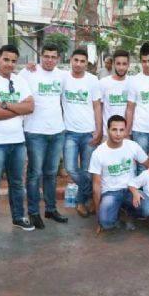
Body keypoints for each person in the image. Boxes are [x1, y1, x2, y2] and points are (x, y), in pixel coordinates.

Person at [0, 44, 35, 243]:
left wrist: (6, 104)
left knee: (17, 183)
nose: (9, 64)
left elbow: (30, 107)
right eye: (6, 59)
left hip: (17, 141)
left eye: (13, 61)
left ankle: (19, 217)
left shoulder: (20, 81)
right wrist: (17, 109)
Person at [19, 44, 68, 229]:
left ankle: (50, 209)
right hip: (35, 132)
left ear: (58, 58)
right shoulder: (28, 73)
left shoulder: (62, 75)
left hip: (57, 131)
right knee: (34, 174)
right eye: (46, 56)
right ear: (40, 56)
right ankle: (33, 212)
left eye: (53, 57)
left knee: (51, 174)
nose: (49, 60)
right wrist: (27, 66)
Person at [89, 115, 149, 231]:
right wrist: (98, 215)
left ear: (125, 131)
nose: (118, 134)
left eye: (121, 130)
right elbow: (96, 185)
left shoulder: (132, 146)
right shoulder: (98, 153)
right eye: (114, 129)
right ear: (108, 130)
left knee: (147, 210)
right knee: (106, 223)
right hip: (110, 193)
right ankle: (116, 212)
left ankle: (127, 212)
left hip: (130, 190)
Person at [62, 48, 103, 218]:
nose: (78, 64)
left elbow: (97, 106)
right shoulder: (63, 78)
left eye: (82, 61)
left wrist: (99, 130)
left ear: (87, 63)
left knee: (87, 171)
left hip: (88, 133)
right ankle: (90, 195)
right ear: (70, 60)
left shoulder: (92, 80)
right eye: (76, 60)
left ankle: (80, 201)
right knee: (71, 168)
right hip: (69, 133)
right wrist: (31, 67)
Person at [125, 43, 149, 173]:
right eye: (144, 61)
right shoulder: (134, 80)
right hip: (140, 130)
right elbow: (130, 108)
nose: (147, 64)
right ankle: (141, 188)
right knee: (141, 166)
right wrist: (127, 132)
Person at [99, 50, 130, 135]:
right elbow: (99, 109)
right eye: (118, 64)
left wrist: (127, 133)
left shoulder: (132, 82)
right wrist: (99, 130)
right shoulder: (103, 83)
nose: (121, 67)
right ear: (113, 64)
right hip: (107, 134)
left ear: (128, 65)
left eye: (124, 64)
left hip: (126, 134)